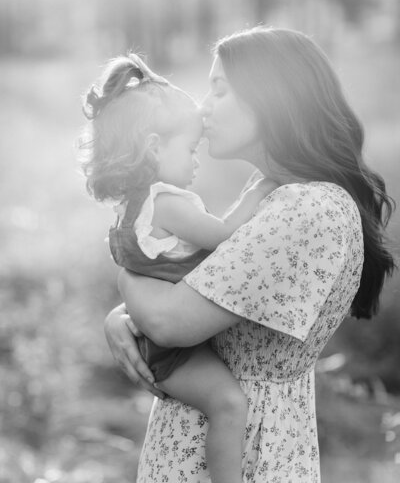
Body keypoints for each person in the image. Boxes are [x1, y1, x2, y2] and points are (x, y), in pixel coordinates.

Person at [104, 27, 395, 482]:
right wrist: (122, 315)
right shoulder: (281, 197)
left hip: (246, 453)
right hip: (215, 443)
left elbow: (169, 321)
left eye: (219, 89)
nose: (203, 107)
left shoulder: (305, 209)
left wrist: (126, 286)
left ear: (270, 98)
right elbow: (210, 290)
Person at [81, 53, 278, 483]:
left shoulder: (133, 208)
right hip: (173, 350)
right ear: (154, 147)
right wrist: (263, 185)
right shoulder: (165, 203)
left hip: (164, 340)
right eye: (190, 149)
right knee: (228, 404)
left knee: (223, 403)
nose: (195, 161)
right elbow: (228, 236)